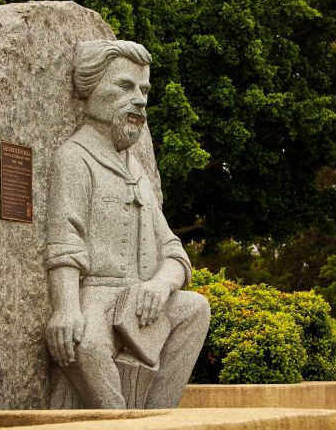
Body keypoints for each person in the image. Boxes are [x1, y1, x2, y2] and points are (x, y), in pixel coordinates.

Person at [44, 40, 210, 409]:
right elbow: (64, 244)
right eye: (125, 86)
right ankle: (117, 419)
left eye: (144, 90)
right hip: (97, 297)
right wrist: (66, 308)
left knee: (195, 309)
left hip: (140, 299)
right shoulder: (74, 157)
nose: (140, 100)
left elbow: (173, 251)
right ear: (90, 90)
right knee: (86, 344)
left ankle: (156, 415)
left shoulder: (136, 169)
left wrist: (161, 285)